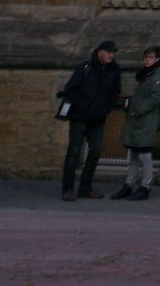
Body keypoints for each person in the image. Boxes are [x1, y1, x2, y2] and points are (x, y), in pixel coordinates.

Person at [55, 41, 123, 200]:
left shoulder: (114, 70)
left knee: (96, 151)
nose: (112, 55)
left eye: (113, 52)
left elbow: (115, 92)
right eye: (109, 52)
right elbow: (71, 89)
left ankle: (85, 187)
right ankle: (68, 189)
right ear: (100, 53)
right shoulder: (85, 67)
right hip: (80, 116)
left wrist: (105, 108)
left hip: (98, 118)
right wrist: (85, 106)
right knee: (74, 151)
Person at [114, 46, 160, 199]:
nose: (147, 60)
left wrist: (139, 109)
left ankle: (145, 186)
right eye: (146, 57)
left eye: (151, 57)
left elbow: (155, 97)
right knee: (133, 152)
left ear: (158, 59)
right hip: (137, 119)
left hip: (146, 119)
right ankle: (129, 184)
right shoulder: (146, 74)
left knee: (144, 155)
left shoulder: (158, 75)